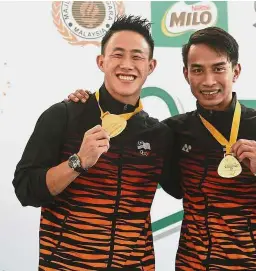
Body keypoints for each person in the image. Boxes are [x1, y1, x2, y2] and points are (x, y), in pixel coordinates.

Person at [67, 27, 256, 270]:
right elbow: (128, 132)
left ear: (235, 71)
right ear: (186, 74)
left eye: (218, 68)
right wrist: (87, 103)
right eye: (197, 70)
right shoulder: (172, 131)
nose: (208, 81)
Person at [12, 15, 181, 271]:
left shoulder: (159, 134)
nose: (127, 65)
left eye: (136, 56)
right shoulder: (65, 115)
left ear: (151, 66)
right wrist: (77, 162)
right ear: (101, 61)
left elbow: (184, 188)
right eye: (117, 54)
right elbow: (26, 191)